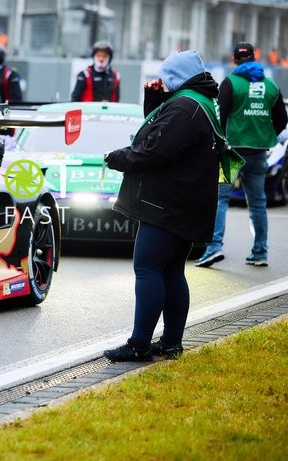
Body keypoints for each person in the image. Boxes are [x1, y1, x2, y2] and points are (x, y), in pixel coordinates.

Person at [102, 50, 225, 362]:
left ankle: (139, 343)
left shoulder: (185, 107)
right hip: (185, 201)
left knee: (148, 268)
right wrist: (154, 100)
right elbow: (161, 133)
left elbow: (154, 150)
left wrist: (117, 158)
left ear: (179, 76)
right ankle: (171, 343)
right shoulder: (198, 102)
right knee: (171, 271)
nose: (163, 79)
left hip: (166, 203)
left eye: (167, 74)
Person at [195, 42, 288, 268]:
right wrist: (266, 135)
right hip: (258, 152)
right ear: (255, 58)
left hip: (232, 151)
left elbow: (220, 118)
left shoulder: (231, 83)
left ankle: (214, 247)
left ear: (234, 59)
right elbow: (283, 120)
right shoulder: (271, 85)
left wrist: (217, 144)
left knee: (220, 200)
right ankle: (260, 252)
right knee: (257, 203)